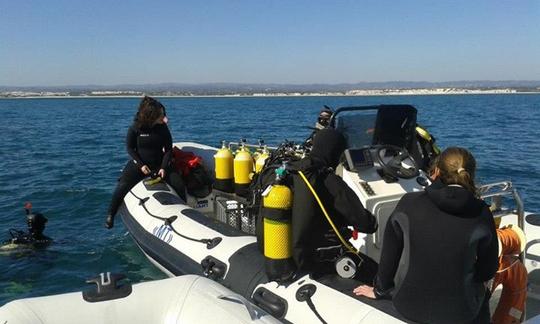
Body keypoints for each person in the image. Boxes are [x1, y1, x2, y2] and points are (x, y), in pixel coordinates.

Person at [354, 147, 498, 324]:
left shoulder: (408, 204)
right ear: (470, 174)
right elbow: (488, 269)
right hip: (460, 313)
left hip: (408, 305)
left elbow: (389, 256)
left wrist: (379, 290)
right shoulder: (481, 213)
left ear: (437, 171)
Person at [291, 128, 377, 273]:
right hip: (323, 257)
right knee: (376, 271)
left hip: (292, 253)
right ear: (335, 152)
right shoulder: (329, 181)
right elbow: (365, 224)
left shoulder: (294, 171)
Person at [105, 96, 186, 229]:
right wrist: (141, 165)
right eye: (161, 115)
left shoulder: (163, 128)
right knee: (123, 184)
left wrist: (164, 167)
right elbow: (130, 148)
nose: (164, 117)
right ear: (151, 116)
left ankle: (185, 217)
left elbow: (168, 149)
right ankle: (111, 214)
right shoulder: (135, 127)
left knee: (179, 184)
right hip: (140, 164)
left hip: (159, 164)